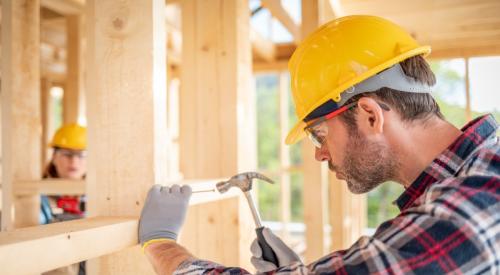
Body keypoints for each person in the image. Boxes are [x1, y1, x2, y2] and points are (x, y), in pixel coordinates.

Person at [138, 15, 500, 274]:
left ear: (370, 115)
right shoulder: (468, 182)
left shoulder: (470, 209)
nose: (319, 153)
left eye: (319, 133)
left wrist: (163, 245)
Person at [41, 123, 87, 275]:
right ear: (54, 157)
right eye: (67, 154)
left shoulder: (102, 197)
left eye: (81, 155)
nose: (74, 161)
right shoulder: (39, 198)